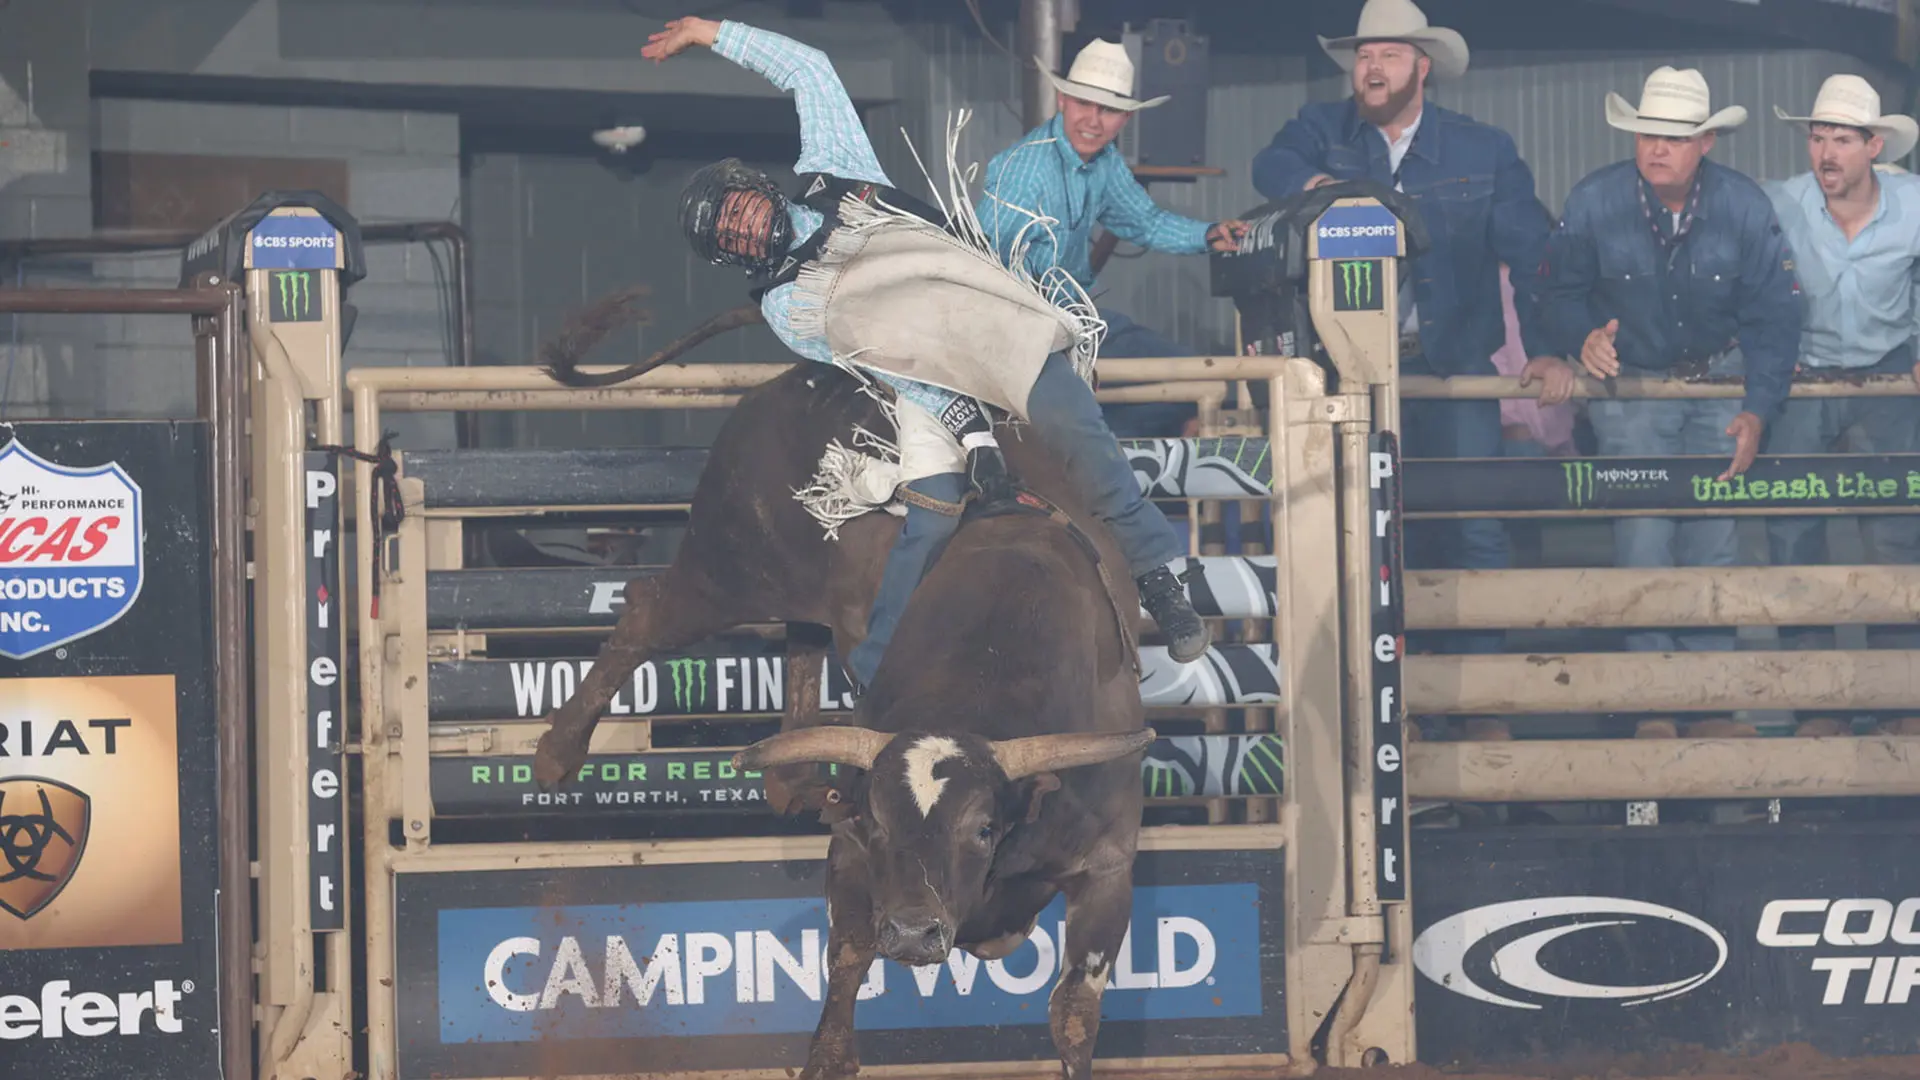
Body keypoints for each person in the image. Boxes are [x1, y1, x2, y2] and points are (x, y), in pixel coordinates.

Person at [640, 15, 1213, 690]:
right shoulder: (784, 304)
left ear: (755, 189)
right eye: (730, 229)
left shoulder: (836, 176)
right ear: (727, 252)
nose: (745, 223)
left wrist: (715, 32)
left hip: (984, 320)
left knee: (1082, 436)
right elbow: (880, 358)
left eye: (739, 207)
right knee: (932, 509)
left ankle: (1158, 577)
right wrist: (973, 436)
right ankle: (877, 675)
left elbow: (810, 70)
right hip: (918, 375)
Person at [1248, 0, 1556, 660]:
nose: (1371, 67)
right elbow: (1269, 165)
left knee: (1472, 525)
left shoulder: (1484, 149)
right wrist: (1319, 187)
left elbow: (1534, 256)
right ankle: (1377, 688)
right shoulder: (1319, 129)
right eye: (1363, 56)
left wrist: (1550, 347)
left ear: (1423, 67)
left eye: (1387, 54)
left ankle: (1486, 693)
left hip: (1450, 366)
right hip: (1352, 370)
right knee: (1358, 529)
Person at [1531, 66, 1801, 653]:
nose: (1657, 148)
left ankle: (1706, 695)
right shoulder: (1593, 200)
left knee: (1714, 538)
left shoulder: (1744, 206)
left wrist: (1757, 410)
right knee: (1642, 538)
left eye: (1675, 137)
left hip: (1719, 384)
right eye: (1647, 133)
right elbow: (1555, 291)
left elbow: (1776, 315)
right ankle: (1651, 697)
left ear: (1706, 142)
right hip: (1630, 388)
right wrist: (1581, 337)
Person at [975, 39, 1248, 437]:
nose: (1094, 121)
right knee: (1182, 389)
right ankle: (1100, 449)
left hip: (1082, 323)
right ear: (1063, 99)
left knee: (1195, 381)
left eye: (1110, 110)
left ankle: (1106, 449)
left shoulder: (1104, 162)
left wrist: (1207, 235)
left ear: (1125, 119)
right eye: (1085, 104)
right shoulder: (1026, 171)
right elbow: (983, 261)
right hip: (1031, 332)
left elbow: (1144, 221)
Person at [1760, 74, 1920, 646]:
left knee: (1897, 528)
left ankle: (1897, 684)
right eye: (1817, 138)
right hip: (1805, 375)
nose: (1826, 154)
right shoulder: (1778, 202)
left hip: (1889, 378)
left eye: (1842, 140)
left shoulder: (1914, 205)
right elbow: (1745, 284)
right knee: (1792, 528)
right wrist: (1769, 351)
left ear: (1874, 146)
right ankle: (1810, 697)